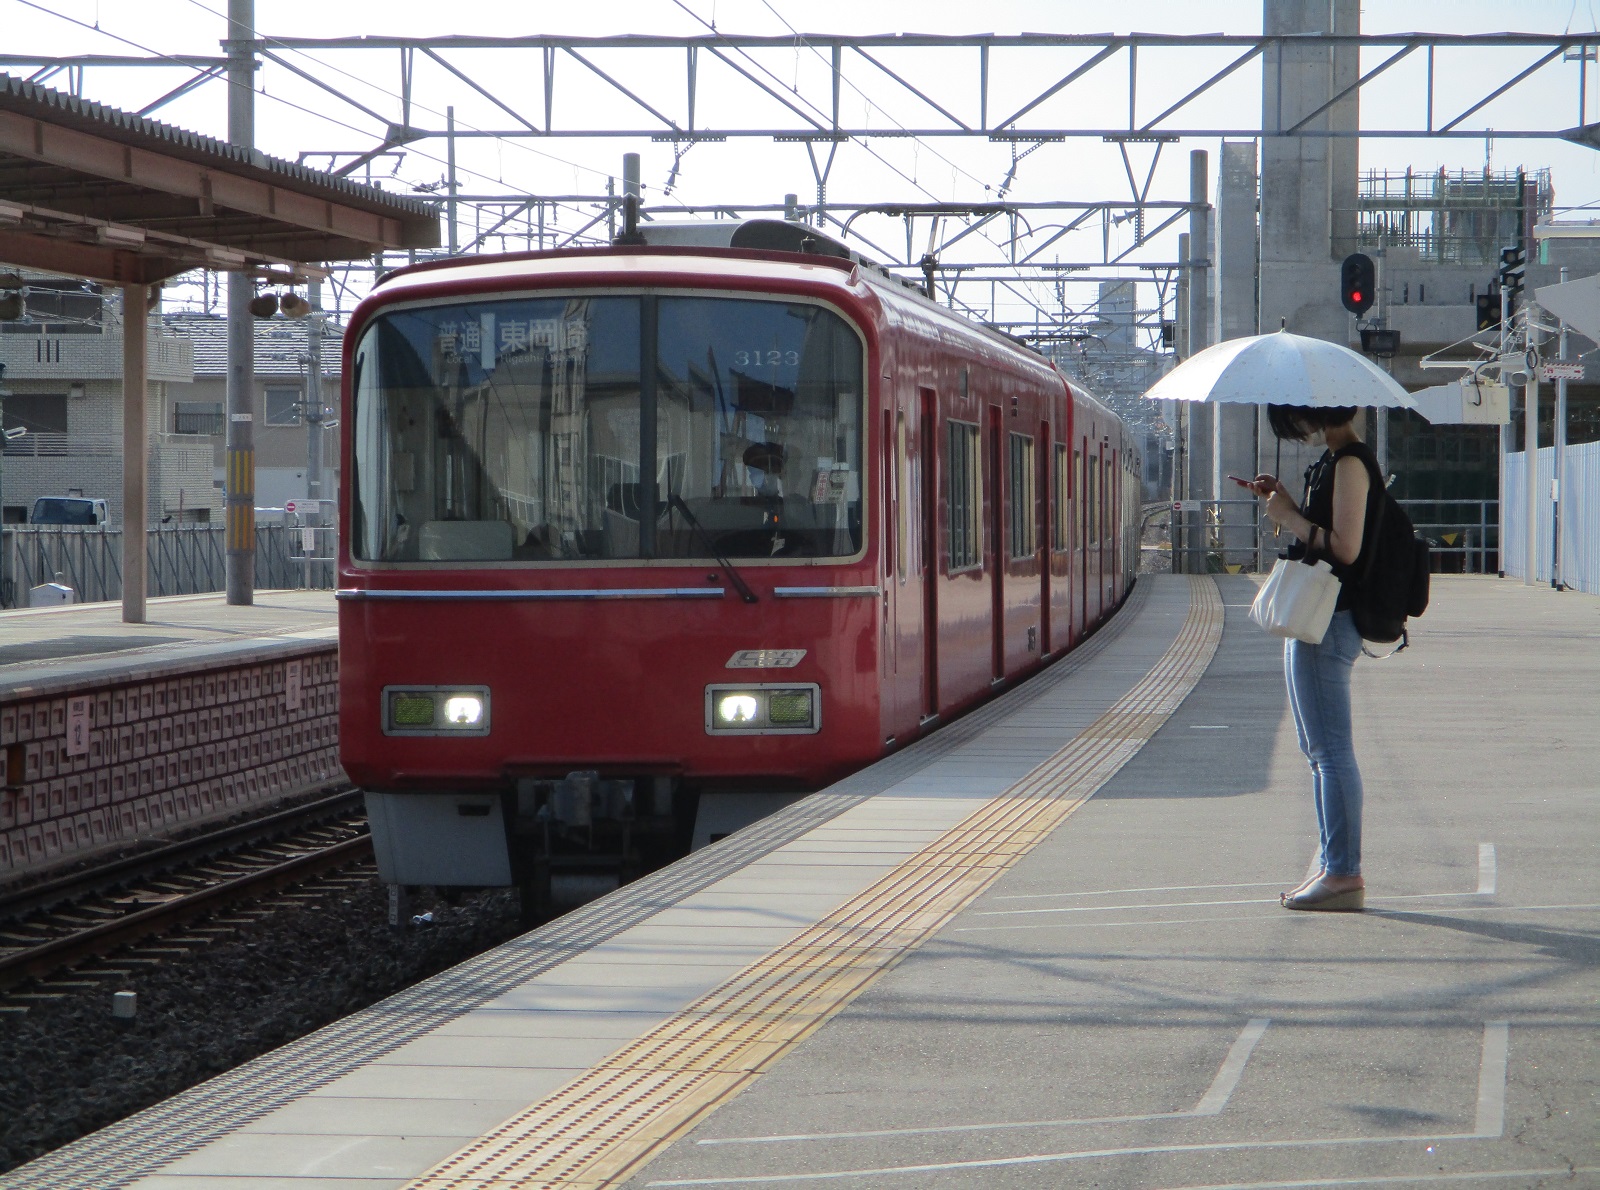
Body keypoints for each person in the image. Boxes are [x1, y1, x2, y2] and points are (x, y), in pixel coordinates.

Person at [1241, 403, 1378, 913]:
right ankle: (1331, 862)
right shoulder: (1336, 461)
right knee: (1318, 749)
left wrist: (1289, 517)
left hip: (1329, 619)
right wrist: (1289, 502)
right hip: (1317, 618)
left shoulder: (1350, 464)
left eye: (1291, 420)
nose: (1293, 433)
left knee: (1330, 752)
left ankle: (1343, 872)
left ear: (1311, 412)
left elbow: (1345, 548)